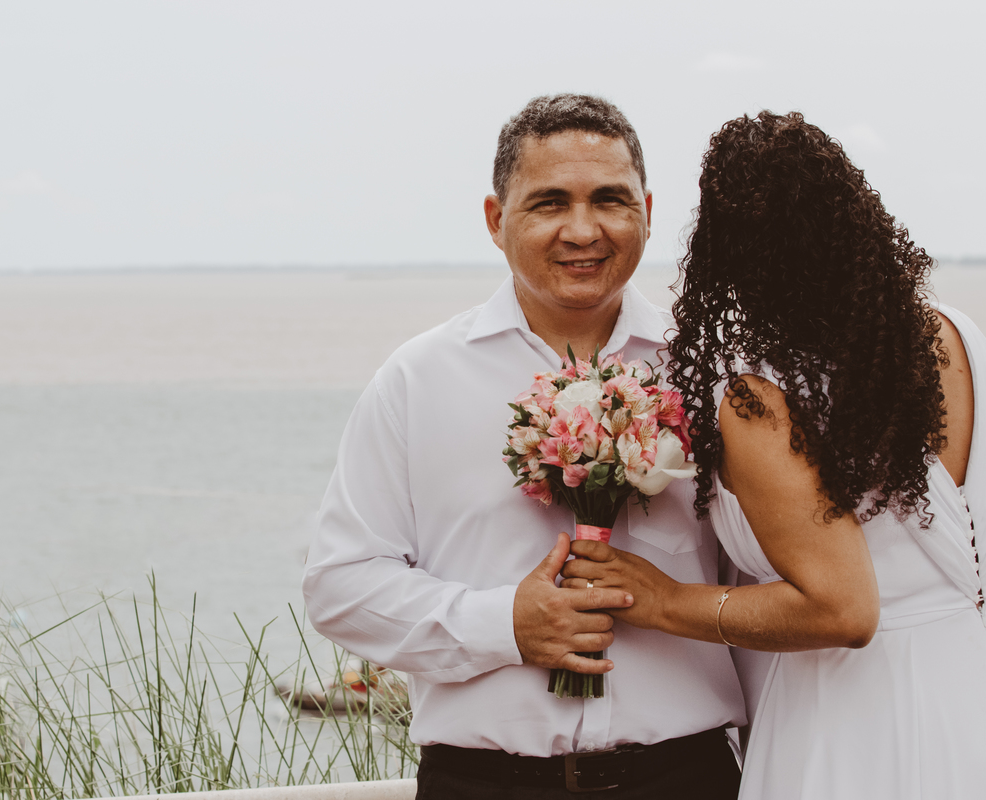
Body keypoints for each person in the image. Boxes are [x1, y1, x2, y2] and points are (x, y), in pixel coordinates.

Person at [561, 110, 986, 799]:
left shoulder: (763, 398)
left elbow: (842, 611)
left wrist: (665, 601)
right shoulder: (967, 340)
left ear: (730, 250)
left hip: (859, 726)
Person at [303, 94, 745, 798]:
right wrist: (503, 623)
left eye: (610, 199)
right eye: (548, 203)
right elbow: (340, 586)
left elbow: (763, 580)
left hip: (685, 776)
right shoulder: (419, 379)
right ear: (495, 219)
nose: (583, 229)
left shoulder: (711, 373)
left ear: (649, 211)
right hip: (481, 782)